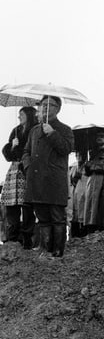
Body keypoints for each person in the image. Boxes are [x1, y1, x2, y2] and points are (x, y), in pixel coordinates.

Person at [22, 96, 74, 257]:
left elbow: (66, 149)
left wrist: (52, 134)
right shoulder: (34, 130)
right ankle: (46, 249)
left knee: (57, 217)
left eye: (49, 105)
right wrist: (28, 166)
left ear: (57, 109)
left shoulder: (65, 129)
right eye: (42, 105)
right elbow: (26, 152)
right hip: (36, 180)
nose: (44, 108)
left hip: (54, 180)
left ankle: (58, 252)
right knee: (42, 217)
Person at [0, 106, 37, 248]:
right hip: (15, 170)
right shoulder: (15, 131)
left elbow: (33, 151)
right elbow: (8, 156)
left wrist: (20, 149)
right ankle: (12, 238)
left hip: (27, 169)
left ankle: (27, 239)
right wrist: (11, 146)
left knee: (27, 205)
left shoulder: (35, 130)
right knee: (12, 205)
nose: (19, 117)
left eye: (21, 114)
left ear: (28, 114)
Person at [83, 132, 104, 233]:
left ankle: (102, 229)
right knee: (89, 206)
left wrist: (94, 166)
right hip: (91, 182)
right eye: (97, 136)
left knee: (102, 208)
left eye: (102, 136)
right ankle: (90, 229)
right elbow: (87, 171)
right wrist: (87, 166)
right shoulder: (92, 152)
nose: (99, 138)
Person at [69, 151, 88, 238]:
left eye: (80, 155)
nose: (78, 157)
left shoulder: (86, 167)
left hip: (83, 193)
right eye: (77, 155)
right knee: (74, 215)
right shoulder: (73, 167)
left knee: (82, 213)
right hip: (74, 194)